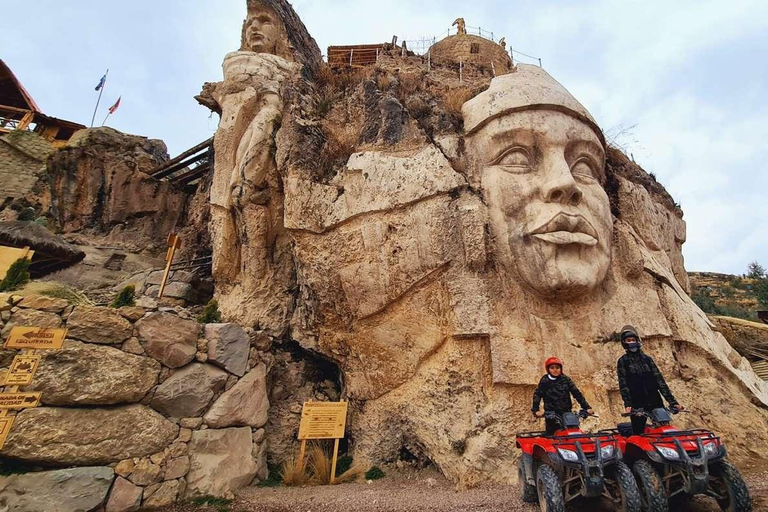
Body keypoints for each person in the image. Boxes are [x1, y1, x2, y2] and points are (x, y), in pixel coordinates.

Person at [617, 325, 684, 434]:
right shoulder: (623, 361)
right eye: (628, 340)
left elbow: (660, 381)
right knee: (638, 431)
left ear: (637, 341)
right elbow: (623, 384)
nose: (631, 342)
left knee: (665, 428)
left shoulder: (647, 359)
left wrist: (673, 402)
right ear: (624, 343)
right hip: (637, 401)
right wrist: (628, 404)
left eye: (633, 340)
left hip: (655, 398)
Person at [532, 357, 594, 435]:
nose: (555, 370)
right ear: (548, 369)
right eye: (552, 368)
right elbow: (537, 395)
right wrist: (536, 410)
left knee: (573, 434)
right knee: (553, 437)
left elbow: (576, 393)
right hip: (551, 415)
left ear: (561, 368)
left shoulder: (566, 379)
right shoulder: (545, 380)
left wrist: (587, 407)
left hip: (567, 414)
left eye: (557, 367)